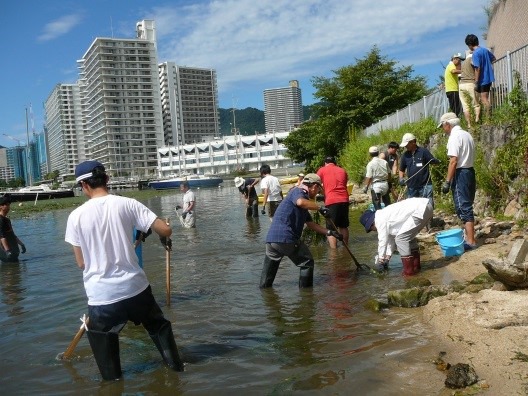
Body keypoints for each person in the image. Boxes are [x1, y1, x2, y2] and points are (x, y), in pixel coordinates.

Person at [64, 160, 184, 381]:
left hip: (102, 298)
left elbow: (81, 263)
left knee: (106, 360)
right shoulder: (128, 203)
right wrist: (158, 232)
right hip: (136, 289)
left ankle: (112, 384)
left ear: (84, 186)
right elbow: (166, 229)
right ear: (107, 180)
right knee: (158, 328)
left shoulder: (75, 217)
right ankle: (176, 369)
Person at [260, 173, 342, 288]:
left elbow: (310, 224)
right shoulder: (299, 192)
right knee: (307, 262)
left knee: (268, 274)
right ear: (314, 186)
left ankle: (265, 294)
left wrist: (330, 232)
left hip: (272, 240)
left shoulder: (300, 198)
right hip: (286, 238)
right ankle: (306, 297)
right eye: (318, 189)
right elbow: (300, 202)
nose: (317, 192)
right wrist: (320, 207)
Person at [359, 197, 433, 275]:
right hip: (426, 206)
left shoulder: (379, 219)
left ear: (371, 224)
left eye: (371, 229)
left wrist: (380, 260)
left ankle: (409, 273)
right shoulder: (384, 215)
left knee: (401, 239)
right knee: (407, 237)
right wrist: (387, 258)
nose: (374, 231)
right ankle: (416, 267)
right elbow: (391, 240)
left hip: (420, 209)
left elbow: (382, 240)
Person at [438, 112, 477, 250]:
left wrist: (447, 181)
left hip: (461, 173)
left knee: (463, 206)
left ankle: (471, 241)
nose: (443, 129)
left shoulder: (454, 137)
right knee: (466, 204)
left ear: (447, 124)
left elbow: (453, 161)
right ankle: (469, 238)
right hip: (470, 171)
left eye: (443, 126)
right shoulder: (467, 134)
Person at [398, 133, 440, 208]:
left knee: (428, 205)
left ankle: (429, 219)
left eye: (407, 144)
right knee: (412, 207)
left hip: (425, 184)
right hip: (411, 186)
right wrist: (401, 178)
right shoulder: (405, 155)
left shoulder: (423, 151)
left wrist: (436, 162)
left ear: (413, 142)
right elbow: (401, 169)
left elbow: (432, 161)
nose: (405, 146)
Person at [316, 156, 350, 248]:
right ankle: (345, 246)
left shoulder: (322, 170)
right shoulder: (342, 170)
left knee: (331, 227)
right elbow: (344, 183)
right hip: (344, 199)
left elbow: (316, 182)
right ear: (334, 162)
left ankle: (334, 251)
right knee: (343, 226)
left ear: (325, 163)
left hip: (331, 200)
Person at [465, 34, 496, 119]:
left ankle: (489, 119)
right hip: (489, 77)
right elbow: (493, 58)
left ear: (470, 45)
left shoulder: (475, 54)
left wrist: (476, 81)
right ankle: (487, 118)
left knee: (484, 99)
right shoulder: (484, 50)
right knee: (484, 98)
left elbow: (477, 68)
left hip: (483, 79)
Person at [362, 146, 391, 211]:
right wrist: (389, 183)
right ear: (378, 153)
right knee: (387, 204)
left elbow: (369, 177)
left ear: (370, 154)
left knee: (377, 205)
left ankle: (379, 218)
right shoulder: (384, 162)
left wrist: (366, 187)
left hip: (376, 186)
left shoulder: (370, 164)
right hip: (385, 184)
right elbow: (389, 173)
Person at [0, 195, 26, 262]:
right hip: (6, 252)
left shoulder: (6, 219)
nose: (9, 207)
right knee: (9, 269)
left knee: (15, 270)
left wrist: (21, 244)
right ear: (1, 206)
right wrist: (7, 251)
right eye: (7, 205)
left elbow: (12, 234)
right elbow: (1, 236)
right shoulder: (0, 220)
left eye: (9, 205)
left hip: (13, 251)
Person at [459, 50, 481, 128]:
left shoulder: (463, 62)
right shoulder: (472, 59)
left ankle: (469, 124)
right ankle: (477, 119)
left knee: (466, 106)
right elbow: (477, 68)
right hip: (470, 83)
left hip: (461, 85)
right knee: (475, 103)